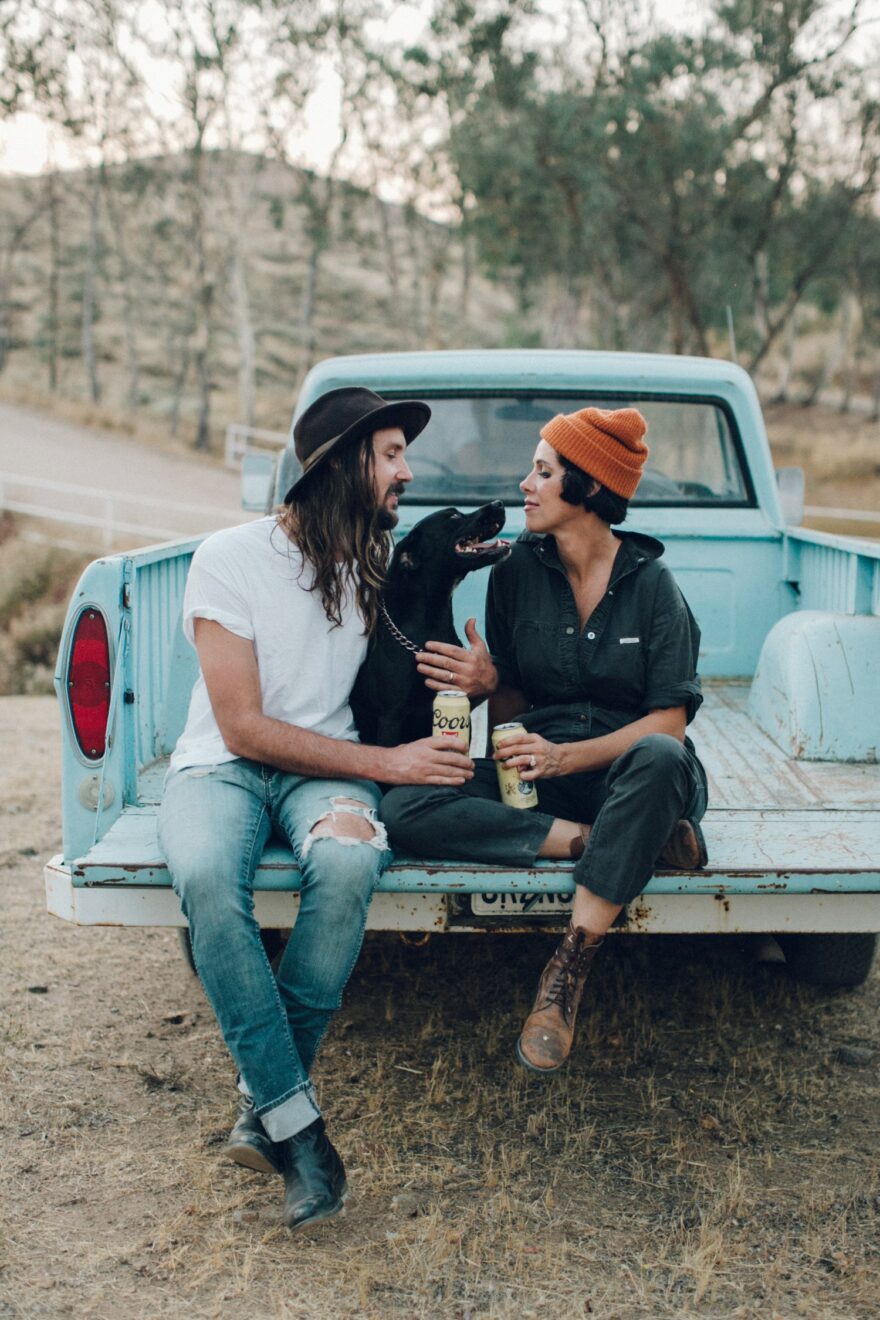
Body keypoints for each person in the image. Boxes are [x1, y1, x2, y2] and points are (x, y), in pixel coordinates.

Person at [158, 387, 474, 1230]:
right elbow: (243, 726)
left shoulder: (379, 564)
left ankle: (263, 1105)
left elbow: (423, 662)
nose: (408, 472)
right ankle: (300, 1133)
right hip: (221, 767)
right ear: (342, 466)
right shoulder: (229, 558)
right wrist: (388, 764)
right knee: (203, 876)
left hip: (323, 773)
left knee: (347, 858)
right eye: (392, 455)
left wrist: (479, 683)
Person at [381, 404, 708, 1073]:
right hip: (546, 776)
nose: (525, 486)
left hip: (631, 772)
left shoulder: (653, 586)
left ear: (588, 486)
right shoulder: (515, 573)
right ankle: (613, 841)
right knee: (405, 803)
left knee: (659, 757)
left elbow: (668, 723)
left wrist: (564, 756)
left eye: (542, 472)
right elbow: (513, 706)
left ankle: (566, 974)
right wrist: (489, 691)